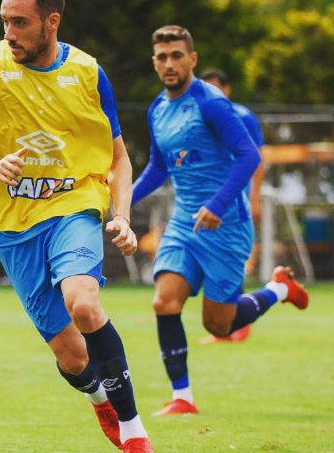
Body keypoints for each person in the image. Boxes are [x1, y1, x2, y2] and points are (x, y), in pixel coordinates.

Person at [0, 0, 158, 453]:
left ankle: (135, 433)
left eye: (21, 22)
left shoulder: (88, 73)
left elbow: (119, 158)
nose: (9, 32)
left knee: (84, 301)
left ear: (51, 22)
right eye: (5, 21)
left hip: (73, 205)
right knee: (72, 356)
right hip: (11, 226)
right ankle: (102, 400)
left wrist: (120, 215)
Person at [131, 25, 309, 416]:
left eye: (177, 55)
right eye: (162, 57)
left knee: (220, 325)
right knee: (164, 302)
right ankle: (183, 397)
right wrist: (121, 203)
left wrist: (218, 203)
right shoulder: (157, 109)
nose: (169, 63)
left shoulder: (211, 103)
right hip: (183, 225)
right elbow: (158, 169)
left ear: (192, 59)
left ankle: (279, 289)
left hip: (226, 225)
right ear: (154, 63)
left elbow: (249, 156)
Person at [198, 67, 265, 343]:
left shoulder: (242, 115)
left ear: (227, 90)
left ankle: (236, 325)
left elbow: (257, 157)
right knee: (214, 259)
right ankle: (227, 324)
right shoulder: (197, 116)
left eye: (215, 88)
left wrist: (255, 195)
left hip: (236, 201)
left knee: (231, 259)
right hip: (210, 199)